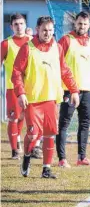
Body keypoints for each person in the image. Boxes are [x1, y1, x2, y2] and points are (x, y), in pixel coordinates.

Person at [12, 16, 80, 179]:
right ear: (37, 30)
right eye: (44, 30)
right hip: (32, 100)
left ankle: (46, 169)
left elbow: (65, 71)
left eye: (50, 30)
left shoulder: (57, 48)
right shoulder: (27, 48)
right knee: (33, 134)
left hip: (50, 99)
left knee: (50, 133)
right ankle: (27, 156)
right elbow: (16, 73)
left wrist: (74, 90)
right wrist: (21, 93)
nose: (47, 33)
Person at [56, 11, 90, 168]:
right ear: (74, 23)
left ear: (89, 25)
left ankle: (82, 157)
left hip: (87, 91)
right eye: (79, 23)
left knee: (85, 124)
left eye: (85, 24)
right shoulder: (65, 40)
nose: (82, 26)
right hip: (69, 91)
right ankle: (62, 159)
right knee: (64, 124)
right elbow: (58, 64)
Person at [1, 13, 32, 160]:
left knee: (23, 118)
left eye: (21, 23)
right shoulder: (6, 44)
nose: (19, 27)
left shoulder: (33, 42)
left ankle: (27, 145)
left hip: (31, 88)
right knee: (13, 118)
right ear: (11, 26)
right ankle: (14, 150)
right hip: (12, 88)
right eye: (16, 24)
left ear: (26, 25)